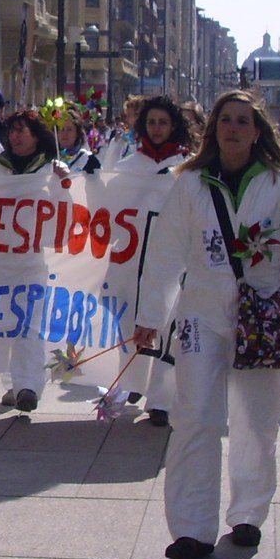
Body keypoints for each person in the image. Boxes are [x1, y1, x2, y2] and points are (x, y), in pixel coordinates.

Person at [131, 90, 280, 559]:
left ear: (258, 131)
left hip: (262, 316)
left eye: (243, 121)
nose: (233, 129)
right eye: (225, 121)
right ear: (213, 129)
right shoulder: (191, 183)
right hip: (202, 311)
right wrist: (150, 317)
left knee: (256, 420)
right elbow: (164, 254)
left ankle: (248, 513)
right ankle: (192, 528)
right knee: (195, 415)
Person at [0, 110, 69, 413]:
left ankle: (29, 385)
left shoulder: (50, 168)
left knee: (29, 323)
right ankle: (14, 384)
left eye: (21, 131)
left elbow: (65, 213)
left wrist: (64, 183)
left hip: (32, 261)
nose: (14, 137)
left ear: (35, 134)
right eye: (11, 131)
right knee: (5, 324)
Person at [112, 94, 194, 427]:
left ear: (174, 125)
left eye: (163, 122)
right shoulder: (127, 168)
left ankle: (161, 400)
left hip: (175, 263)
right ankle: (132, 384)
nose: (157, 129)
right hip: (133, 265)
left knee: (170, 328)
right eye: (151, 122)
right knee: (133, 325)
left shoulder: (188, 169)